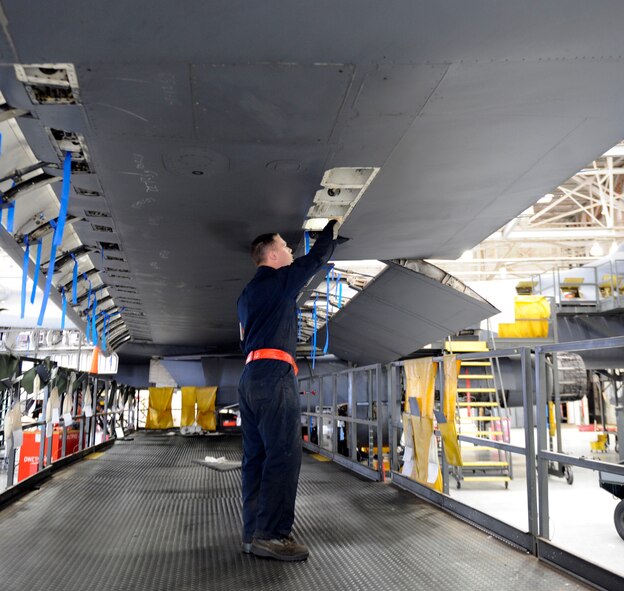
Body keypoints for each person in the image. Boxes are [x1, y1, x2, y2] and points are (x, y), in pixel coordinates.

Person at [237, 219, 341, 561]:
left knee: (257, 459)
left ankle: (252, 534)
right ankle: (273, 536)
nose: (290, 250)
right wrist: (330, 234)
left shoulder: (246, 295)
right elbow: (312, 263)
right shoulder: (279, 281)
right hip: (274, 376)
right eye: (285, 247)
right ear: (272, 255)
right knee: (283, 456)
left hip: (250, 378)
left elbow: (242, 337)